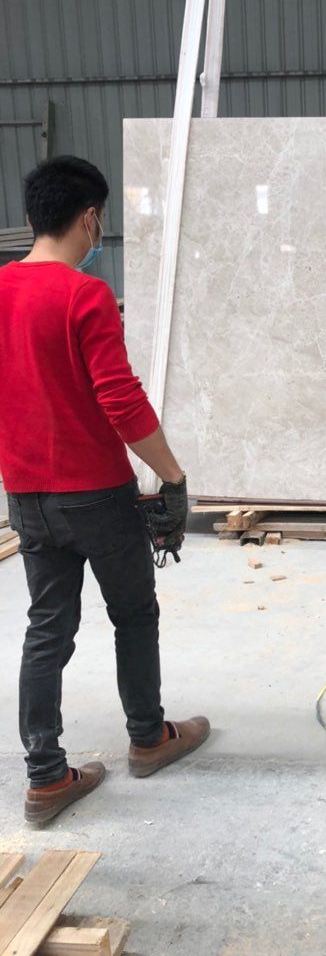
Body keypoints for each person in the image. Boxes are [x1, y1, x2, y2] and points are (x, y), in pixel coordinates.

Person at [0, 155, 210, 827]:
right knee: (134, 614)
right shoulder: (84, 295)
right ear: (90, 218)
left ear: (34, 215)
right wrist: (172, 476)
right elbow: (121, 403)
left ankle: (45, 779)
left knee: (47, 628)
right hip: (95, 494)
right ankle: (148, 738)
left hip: (26, 495)